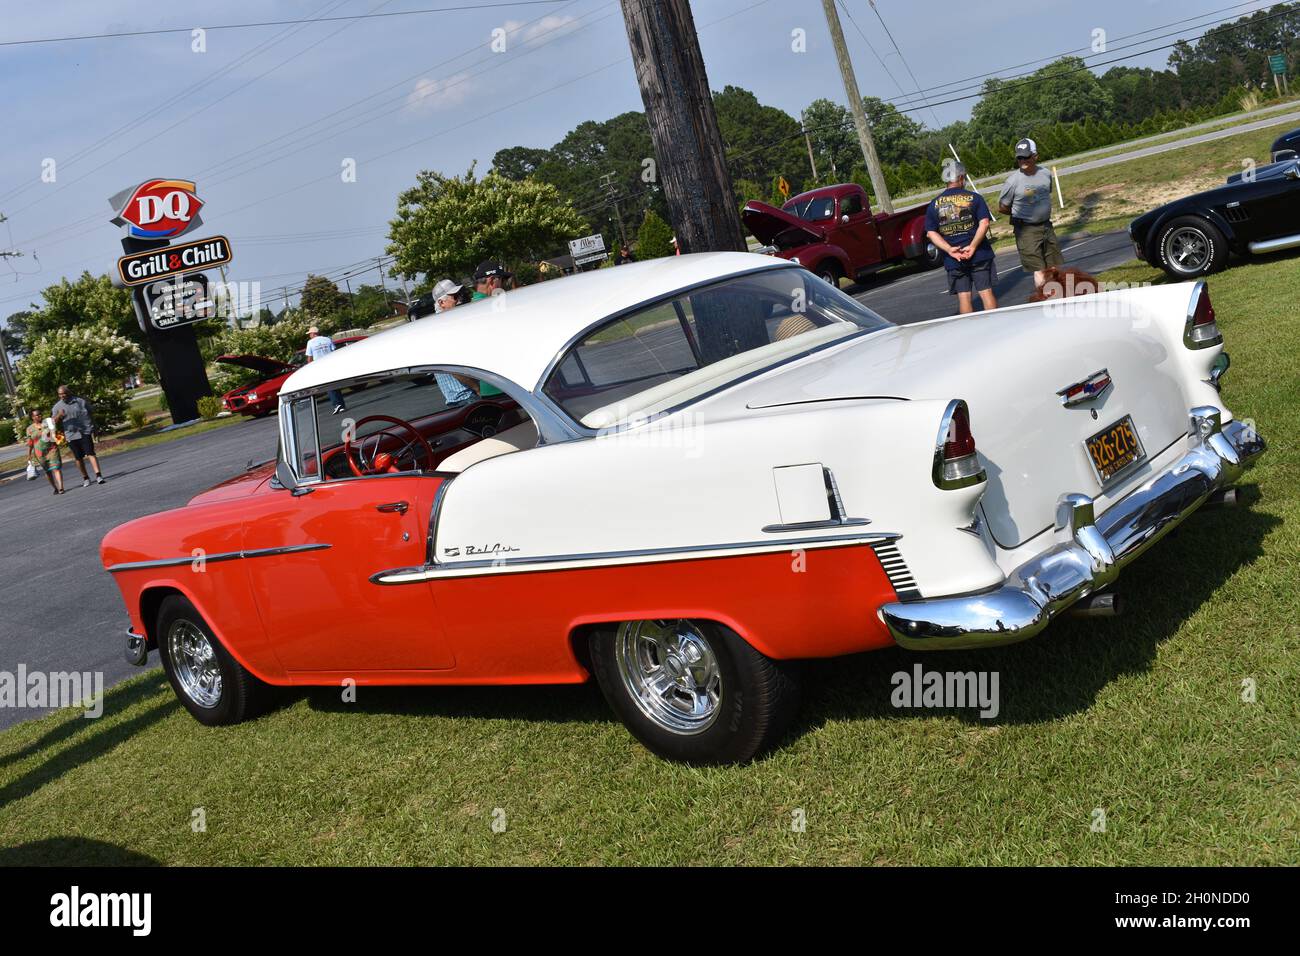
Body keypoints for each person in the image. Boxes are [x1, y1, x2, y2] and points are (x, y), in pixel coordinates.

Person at [925, 162, 998, 315]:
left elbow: (931, 233)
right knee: (986, 292)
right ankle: (995, 326)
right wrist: (973, 246)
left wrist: (949, 249)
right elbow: (984, 224)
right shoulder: (975, 198)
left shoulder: (934, 204)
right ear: (961, 177)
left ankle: (969, 331)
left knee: (964, 299)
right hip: (979, 255)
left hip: (954, 258)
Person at [998, 138, 1063, 291]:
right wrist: (1019, 214)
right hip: (1026, 230)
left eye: (1026, 156)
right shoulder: (1012, 181)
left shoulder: (1046, 174)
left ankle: (1058, 298)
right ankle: (1044, 301)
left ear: (1035, 156)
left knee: (1053, 267)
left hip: (1046, 226)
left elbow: (1045, 194)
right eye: (1019, 157)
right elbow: (1002, 207)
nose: (1022, 160)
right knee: (1039, 270)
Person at [52, 385, 104, 486]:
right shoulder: (57, 407)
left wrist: (95, 428)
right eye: (60, 394)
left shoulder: (80, 401)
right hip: (71, 435)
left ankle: (98, 475)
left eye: (64, 393)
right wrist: (59, 415)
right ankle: (86, 478)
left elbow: (90, 414)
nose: (62, 396)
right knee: (78, 458)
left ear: (69, 392)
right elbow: (52, 422)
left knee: (90, 453)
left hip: (85, 431)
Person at [305, 327, 347, 414]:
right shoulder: (327, 339)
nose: (309, 335)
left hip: (320, 366)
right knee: (335, 384)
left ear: (313, 333)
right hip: (331, 364)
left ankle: (336, 404)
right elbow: (334, 351)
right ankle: (342, 405)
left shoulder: (310, 343)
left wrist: (310, 367)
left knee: (328, 386)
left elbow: (309, 357)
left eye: (310, 334)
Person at [26, 408, 64, 494]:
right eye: (37, 415)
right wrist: (29, 455)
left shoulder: (47, 422)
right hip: (40, 453)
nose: (39, 416)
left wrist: (59, 413)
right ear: (32, 417)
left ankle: (61, 487)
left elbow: (55, 420)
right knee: (48, 471)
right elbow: (30, 443)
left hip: (52, 449)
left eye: (40, 414)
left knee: (56, 468)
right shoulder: (29, 429)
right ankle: (55, 488)